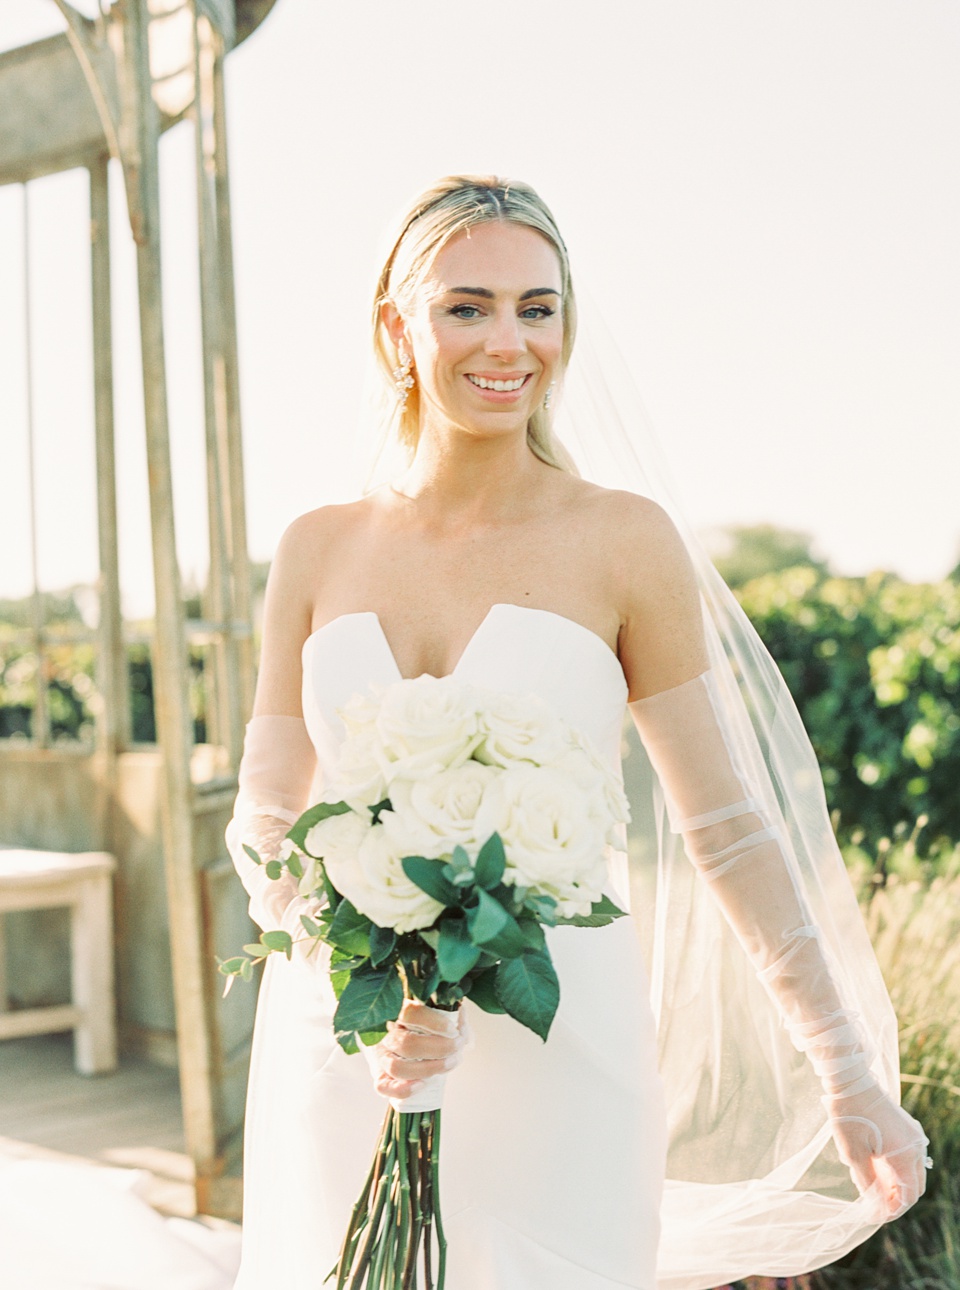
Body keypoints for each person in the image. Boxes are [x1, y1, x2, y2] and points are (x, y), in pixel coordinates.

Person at [226, 176, 929, 1290]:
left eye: (536, 308)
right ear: (394, 325)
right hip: (353, 1037)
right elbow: (267, 806)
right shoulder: (316, 548)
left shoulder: (623, 539)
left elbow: (730, 829)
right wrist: (354, 957)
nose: (509, 342)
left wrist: (844, 1069)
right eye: (467, 306)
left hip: (558, 1043)